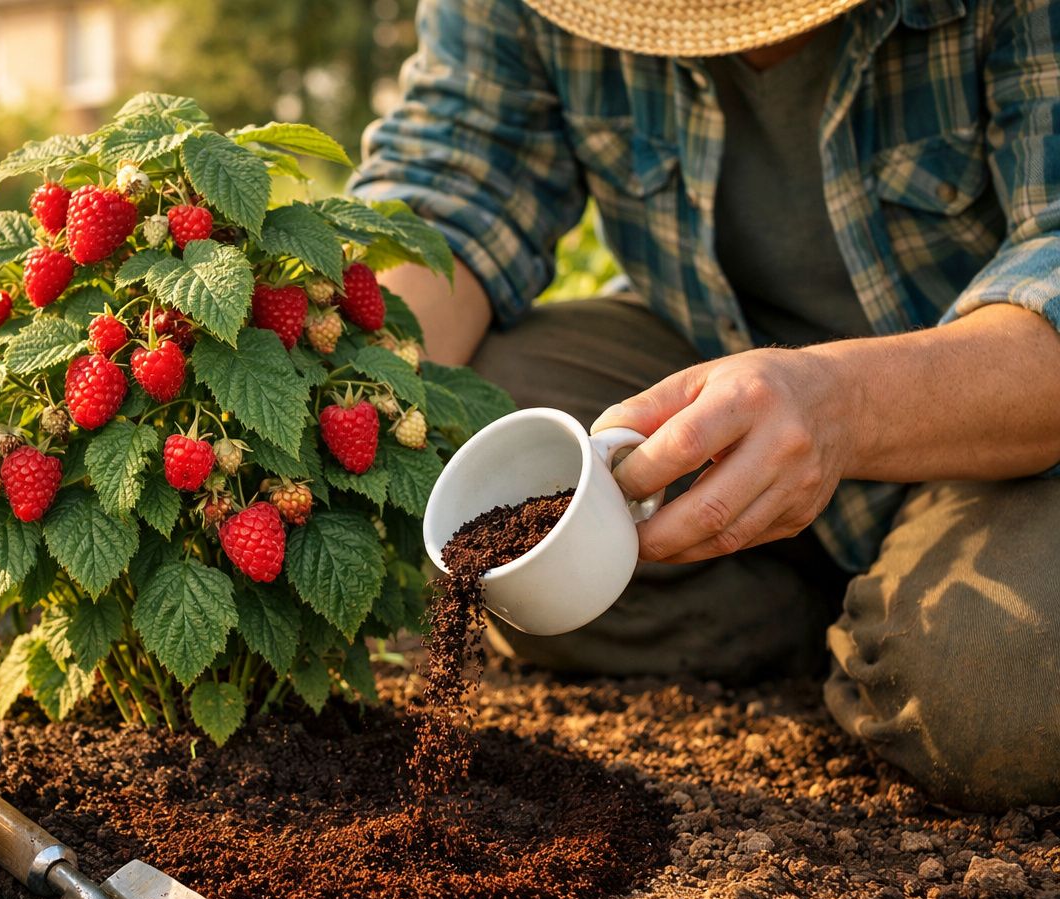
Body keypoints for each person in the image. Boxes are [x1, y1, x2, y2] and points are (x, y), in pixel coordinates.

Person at [351, 0, 1060, 811]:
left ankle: (881, 613)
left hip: (997, 416)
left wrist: (841, 407)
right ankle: (811, 605)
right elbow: (448, 192)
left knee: (995, 688)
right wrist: (339, 408)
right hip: (706, 364)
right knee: (472, 435)